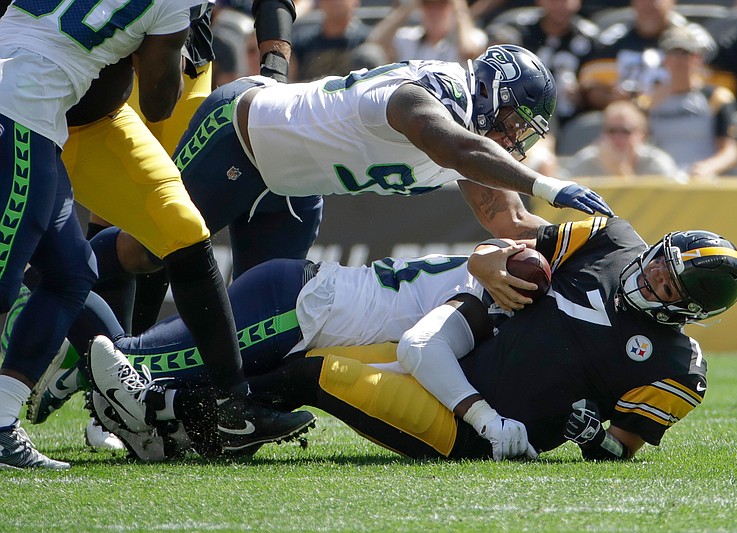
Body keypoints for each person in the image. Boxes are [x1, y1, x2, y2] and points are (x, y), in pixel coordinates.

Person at [84, 214, 737, 462]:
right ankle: (164, 413)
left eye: (669, 284)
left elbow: (620, 448)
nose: (653, 275)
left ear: (686, 311)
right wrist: (492, 265)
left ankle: (163, 411)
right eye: (661, 260)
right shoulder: (608, 240)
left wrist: (588, 432)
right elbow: (504, 249)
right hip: (460, 363)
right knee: (298, 355)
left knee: (314, 374)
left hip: (465, 432)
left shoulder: (676, 365)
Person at [97, 45, 613, 311]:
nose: (514, 138)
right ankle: (56, 281)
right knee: (152, 250)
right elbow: (456, 147)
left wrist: (603, 246)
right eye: (514, 121)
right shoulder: (430, 96)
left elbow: (513, 221)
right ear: (489, 92)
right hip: (244, 134)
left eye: (525, 132)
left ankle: (185, 396)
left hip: (296, 184)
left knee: (258, 305)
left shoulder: (475, 142)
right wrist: (548, 184)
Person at [36, 244, 536, 458]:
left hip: (304, 314)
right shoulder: (490, 278)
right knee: (133, 359)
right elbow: (419, 350)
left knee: (163, 381)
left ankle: (78, 369)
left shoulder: (494, 276)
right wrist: (486, 419)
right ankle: (48, 267)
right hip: (299, 308)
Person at [0, 0, 215, 470]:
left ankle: (0, 423)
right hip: (20, 108)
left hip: (32, 107)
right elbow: (159, 103)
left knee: (71, 274)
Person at [646, 25, 737, 180]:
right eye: (672, 53)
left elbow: (730, 150)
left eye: (684, 54)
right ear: (664, 60)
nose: (678, 60)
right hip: (661, 179)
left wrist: (709, 167)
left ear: (697, 58)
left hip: (703, 180)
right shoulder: (650, 100)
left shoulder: (716, 98)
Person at [577, 0, 708, 111]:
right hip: (626, 123)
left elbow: (710, 85)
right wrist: (613, 99)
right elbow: (591, 85)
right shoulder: (611, 41)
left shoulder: (694, 40)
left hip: (679, 116)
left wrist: (662, 96)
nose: (649, 4)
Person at [494, 0, 600, 127]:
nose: (559, 6)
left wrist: (583, 92)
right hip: (524, 114)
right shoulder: (519, 30)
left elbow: (599, 86)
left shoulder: (591, 39)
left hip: (572, 119)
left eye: (565, 1)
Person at [564, 99, 682, 179]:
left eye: (626, 131)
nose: (618, 138)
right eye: (612, 131)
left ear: (642, 135)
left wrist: (620, 172)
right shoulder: (587, 161)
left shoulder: (656, 163)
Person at [367, 0, 488, 67]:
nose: (434, 12)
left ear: (451, 8)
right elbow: (375, 41)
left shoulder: (467, 37)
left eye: (441, 5)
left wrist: (459, 6)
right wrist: (409, 7)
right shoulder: (409, 37)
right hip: (412, 104)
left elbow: (469, 50)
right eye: (428, 5)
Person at [289, 0, 380, 82]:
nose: (336, 2)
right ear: (320, 2)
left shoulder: (367, 40)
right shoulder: (301, 41)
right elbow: (291, 82)